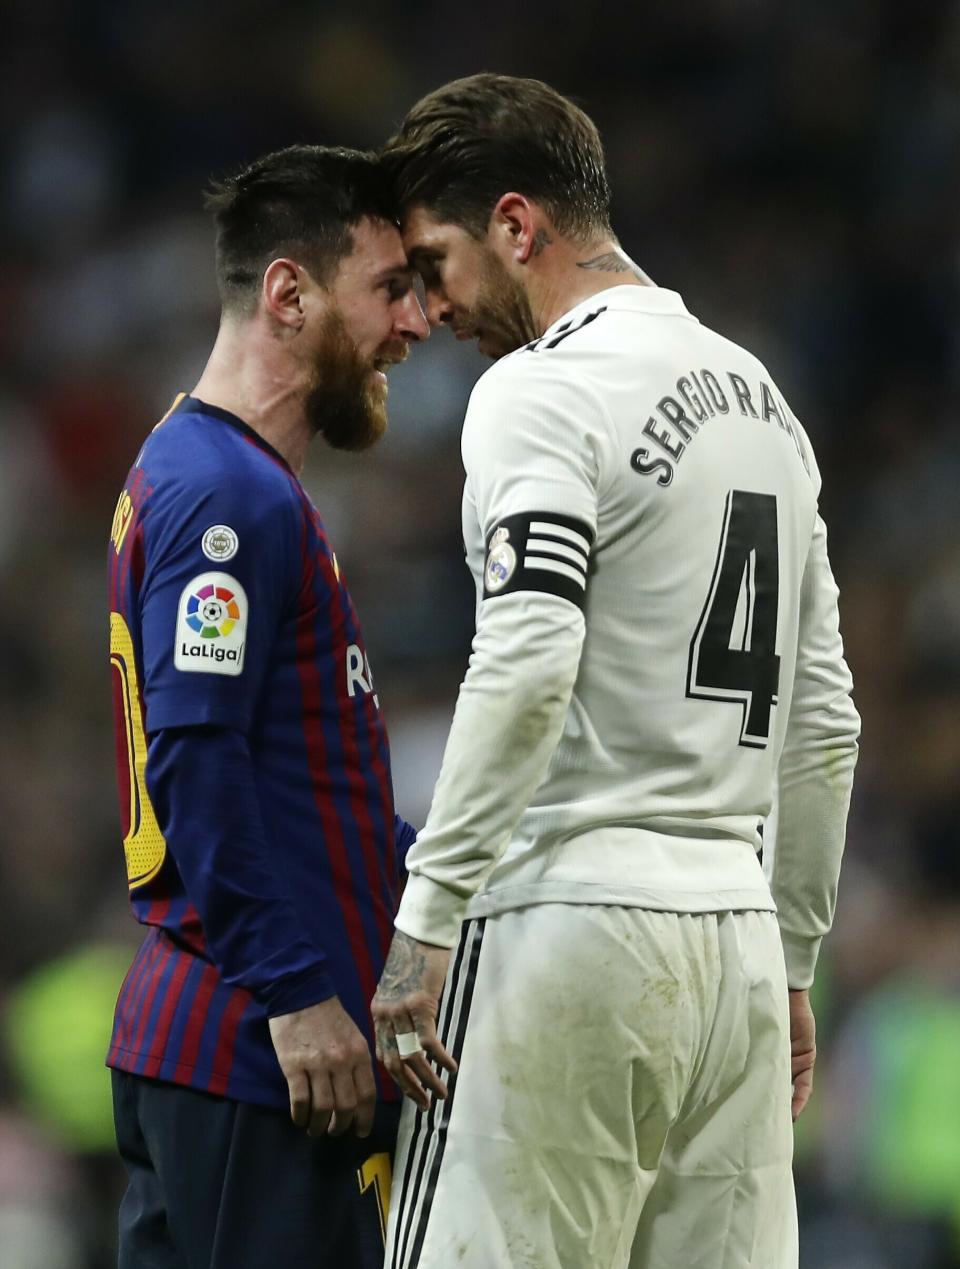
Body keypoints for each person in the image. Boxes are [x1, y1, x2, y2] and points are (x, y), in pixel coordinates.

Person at [370, 75, 860, 1269]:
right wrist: (790, 960)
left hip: (572, 922)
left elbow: (531, 651)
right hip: (735, 947)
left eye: (434, 264)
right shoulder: (766, 404)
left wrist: (425, 921)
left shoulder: (540, 390)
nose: (429, 311)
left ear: (516, 225)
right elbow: (827, 722)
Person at [106, 144, 429, 1269]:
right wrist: (297, 993)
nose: (416, 323)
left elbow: (302, 789)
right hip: (254, 1061)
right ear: (290, 293)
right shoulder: (227, 501)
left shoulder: (215, 474)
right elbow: (194, 760)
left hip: (228, 1059)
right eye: (390, 288)